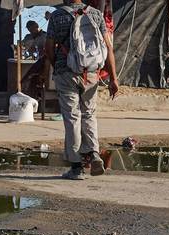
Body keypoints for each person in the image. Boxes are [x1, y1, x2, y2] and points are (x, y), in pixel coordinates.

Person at [43, 0, 118, 180]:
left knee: (72, 117)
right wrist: (114, 78)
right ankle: (94, 153)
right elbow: (108, 47)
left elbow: (48, 48)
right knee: (89, 114)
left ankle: (76, 168)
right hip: (90, 72)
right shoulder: (95, 14)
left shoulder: (57, 16)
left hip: (66, 72)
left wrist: (58, 66)